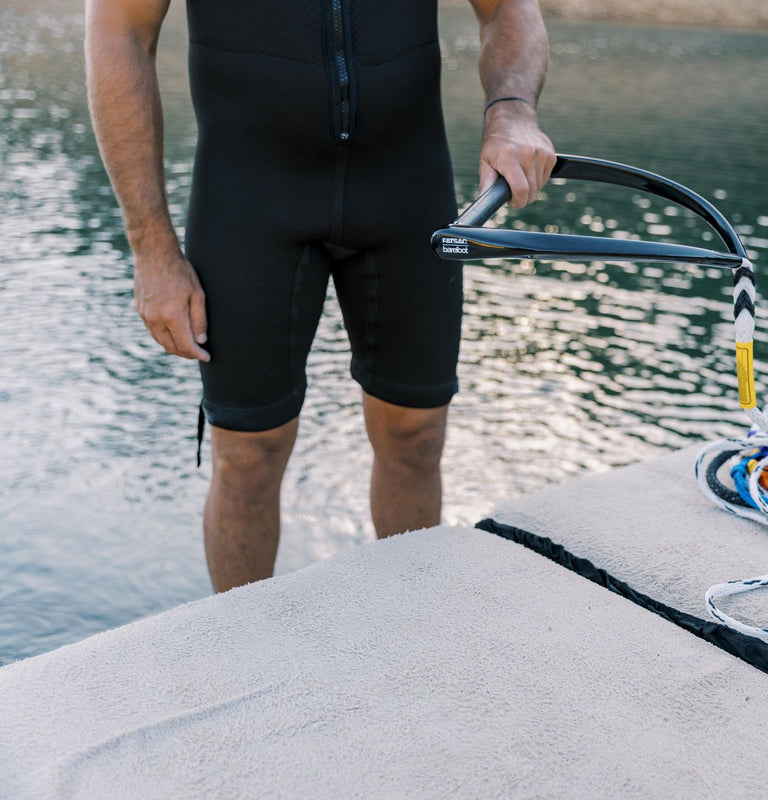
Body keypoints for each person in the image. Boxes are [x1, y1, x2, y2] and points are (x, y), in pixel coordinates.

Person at [85, 0, 555, 592]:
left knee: (415, 434)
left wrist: (511, 110)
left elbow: (509, 9)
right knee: (249, 453)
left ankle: (414, 631)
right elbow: (120, 32)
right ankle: (244, 651)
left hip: (404, 186)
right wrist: (151, 246)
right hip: (250, 192)